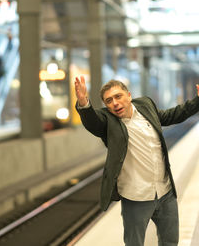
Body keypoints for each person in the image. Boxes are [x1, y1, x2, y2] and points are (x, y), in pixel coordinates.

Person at [74, 76, 199, 246]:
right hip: (136, 198)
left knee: (170, 242)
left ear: (129, 95)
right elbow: (92, 122)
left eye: (118, 96)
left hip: (165, 192)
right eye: (108, 101)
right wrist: (83, 103)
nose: (115, 103)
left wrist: (197, 102)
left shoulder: (145, 105)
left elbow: (172, 115)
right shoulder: (108, 122)